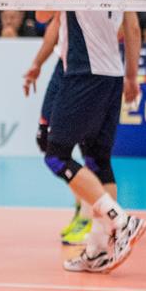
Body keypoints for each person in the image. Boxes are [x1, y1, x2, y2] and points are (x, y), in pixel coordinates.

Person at [35, 0, 146, 274]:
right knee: (98, 160)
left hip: (83, 72)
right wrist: (131, 77)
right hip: (112, 75)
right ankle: (98, 250)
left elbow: (41, 14)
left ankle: (120, 220)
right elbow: (133, 28)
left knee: (56, 155)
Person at [22, 18, 90, 246]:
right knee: (46, 139)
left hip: (89, 68)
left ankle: (88, 217)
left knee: (87, 144)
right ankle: (81, 202)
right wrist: (37, 63)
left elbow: (121, 28)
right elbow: (51, 21)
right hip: (63, 65)